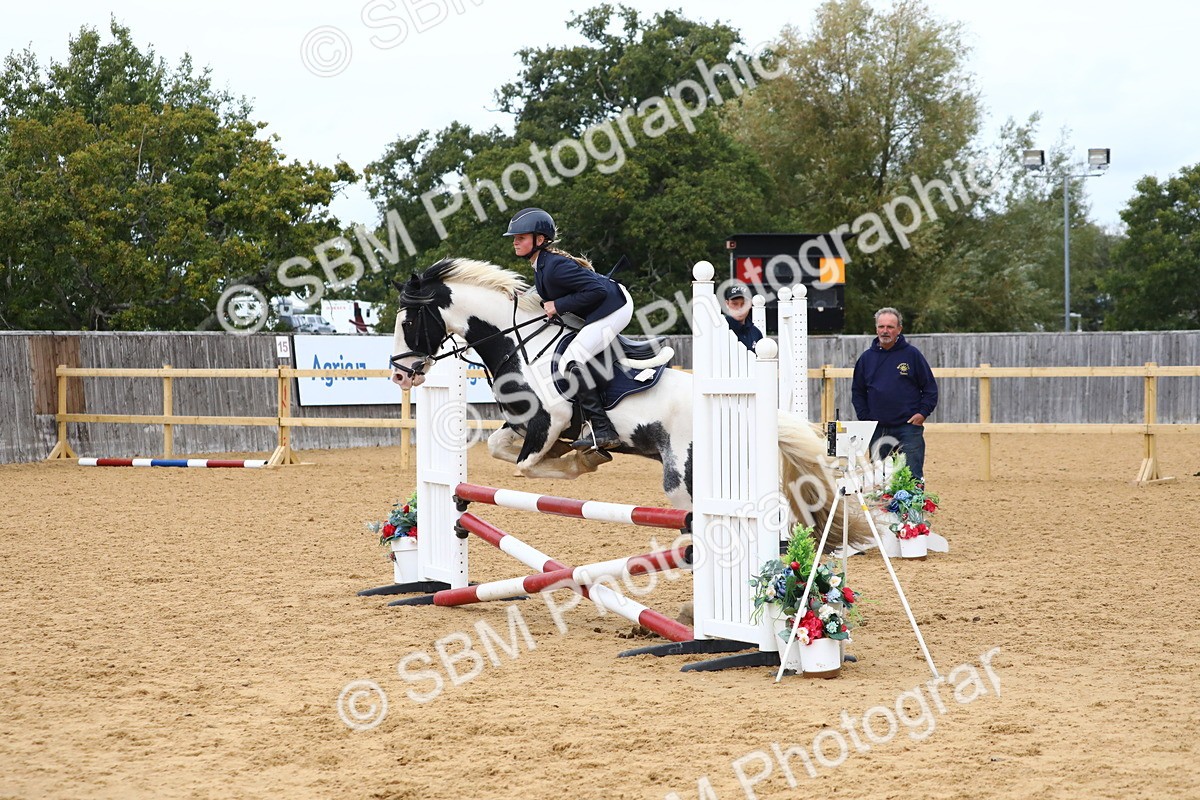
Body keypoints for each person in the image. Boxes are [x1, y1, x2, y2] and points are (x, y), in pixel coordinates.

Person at [503, 207, 633, 451]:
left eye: (520, 237)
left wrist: (558, 305)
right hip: (599, 306)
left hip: (615, 307)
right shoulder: (542, 266)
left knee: (571, 360)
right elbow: (550, 293)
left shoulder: (554, 266)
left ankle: (603, 428)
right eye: (514, 238)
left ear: (539, 240)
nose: (515, 242)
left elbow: (598, 291)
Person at [851, 307, 938, 480]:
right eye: (881, 326)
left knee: (912, 476)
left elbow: (929, 388)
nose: (885, 331)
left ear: (899, 329)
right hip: (878, 429)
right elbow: (858, 392)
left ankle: (913, 508)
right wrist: (866, 419)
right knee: (881, 477)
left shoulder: (912, 355)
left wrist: (922, 413)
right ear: (876, 329)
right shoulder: (866, 359)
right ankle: (883, 508)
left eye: (890, 327)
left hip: (908, 427)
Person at [722, 282, 763, 352]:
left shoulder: (756, 333)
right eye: (735, 304)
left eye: (744, 304)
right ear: (727, 304)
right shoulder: (721, 330)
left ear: (750, 304)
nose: (740, 308)